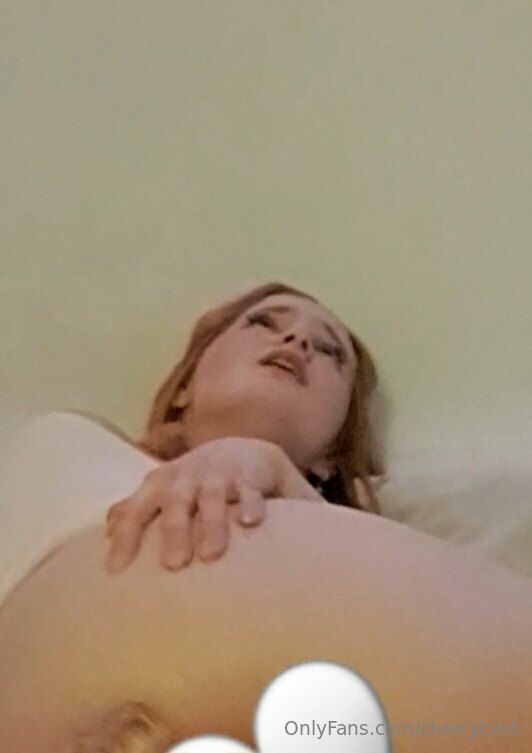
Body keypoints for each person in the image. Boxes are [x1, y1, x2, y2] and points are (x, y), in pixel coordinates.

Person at [0, 281, 531, 753]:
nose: (297, 342)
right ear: (184, 389)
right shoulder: (75, 443)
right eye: (263, 322)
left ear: (331, 453)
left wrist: (272, 468)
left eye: (330, 352)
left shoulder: (376, 540)